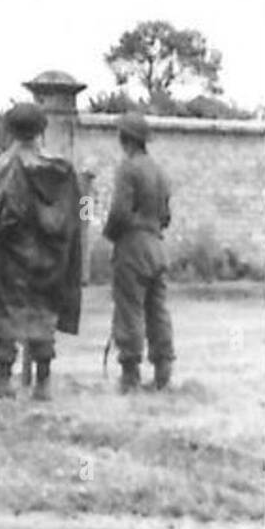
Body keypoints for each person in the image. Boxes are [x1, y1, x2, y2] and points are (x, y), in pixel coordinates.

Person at [0, 103, 83, 401]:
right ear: (41, 130)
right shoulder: (62, 169)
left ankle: (3, 380)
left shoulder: (8, 165)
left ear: (10, 130)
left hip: (11, 255)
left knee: (1, 312)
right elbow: (75, 213)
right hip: (50, 256)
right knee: (43, 311)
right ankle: (43, 383)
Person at [103, 112, 173, 392]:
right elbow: (166, 216)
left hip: (133, 246)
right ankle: (163, 370)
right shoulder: (160, 171)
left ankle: (130, 374)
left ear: (125, 139)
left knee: (129, 309)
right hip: (157, 245)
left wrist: (110, 234)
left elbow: (119, 212)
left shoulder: (127, 168)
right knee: (158, 310)